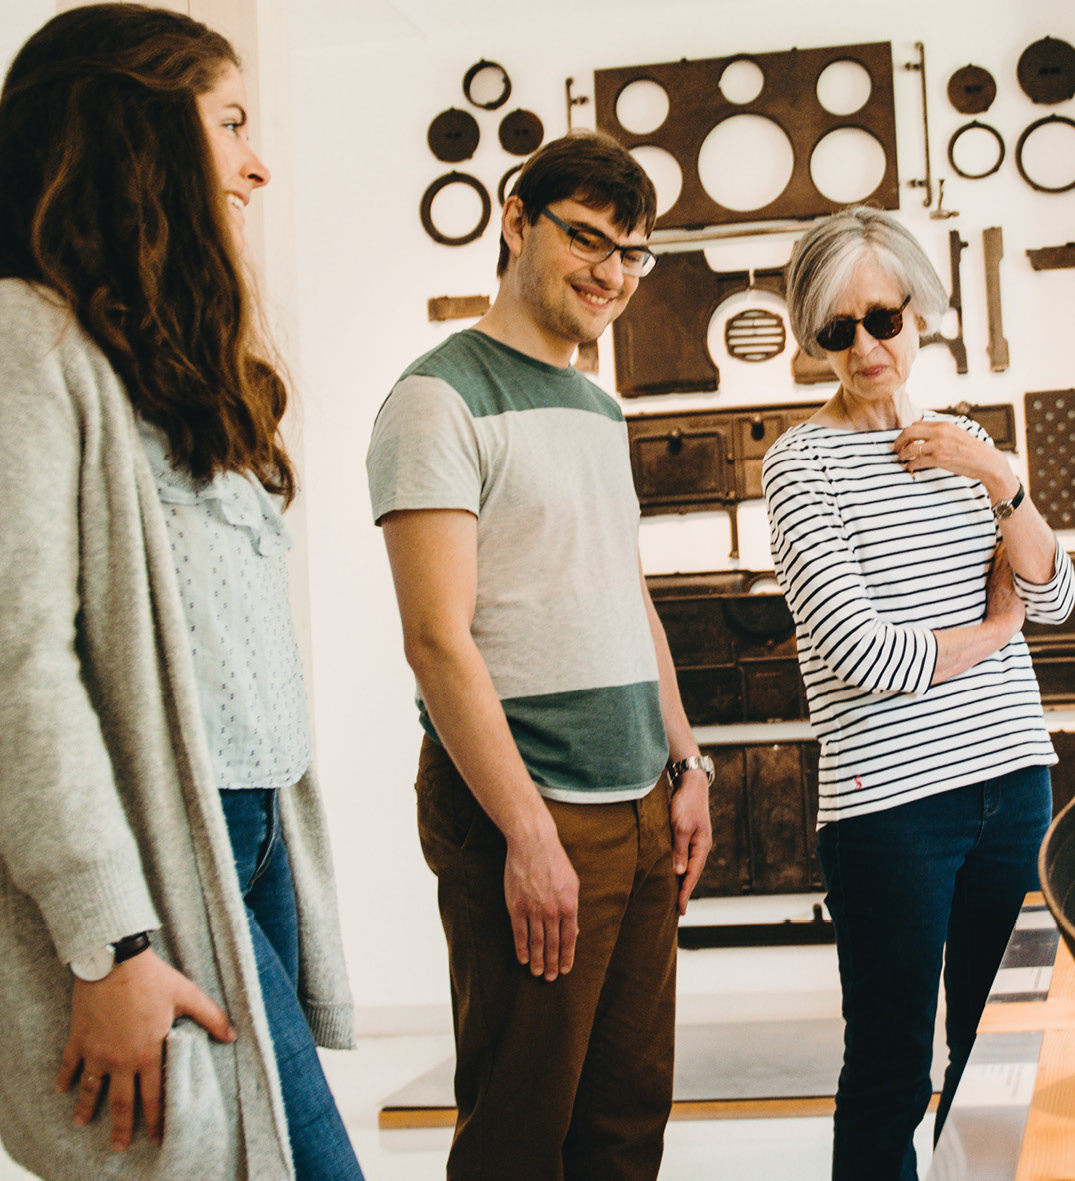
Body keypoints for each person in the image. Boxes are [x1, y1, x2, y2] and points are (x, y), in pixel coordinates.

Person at [0, 6, 360, 1179]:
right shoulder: (25, 340)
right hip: (161, 850)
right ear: (138, 135)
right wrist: (110, 941)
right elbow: (18, 665)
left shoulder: (157, 349)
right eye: (231, 125)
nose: (257, 162)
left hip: (246, 829)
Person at [367, 130, 713, 1181]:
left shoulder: (599, 406)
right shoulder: (436, 398)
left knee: (624, 1123)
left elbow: (626, 593)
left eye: (631, 253)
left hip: (639, 801)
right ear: (514, 223)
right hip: (530, 804)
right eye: (587, 239)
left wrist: (684, 762)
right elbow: (434, 638)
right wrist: (525, 830)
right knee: (521, 1130)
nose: (611, 272)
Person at [761, 207, 1075, 1180]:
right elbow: (863, 651)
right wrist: (990, 628)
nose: (864, 347)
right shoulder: (797, 463)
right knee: (892, 1070)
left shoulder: (967, 444)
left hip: (1012, 781)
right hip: (888, 810)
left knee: (1004, 1056)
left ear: (918, 313)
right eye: (835, 329)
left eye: (882, 319)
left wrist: (993, 472)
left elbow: (1055, 595)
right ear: (811, 335)